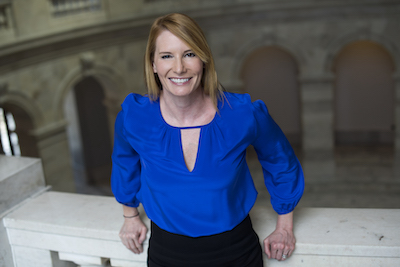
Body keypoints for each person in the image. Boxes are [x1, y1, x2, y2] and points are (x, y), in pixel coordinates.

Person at [111, 13, 304, 267]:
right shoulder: (134, 115)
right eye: (167, 55)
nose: (179, 67)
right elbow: (124, 161)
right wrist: (130, 215)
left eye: (189, 54)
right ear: (153, 64)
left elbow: (280, 160)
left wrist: (285, 225)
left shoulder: (243, 114)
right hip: (166, 255)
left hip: (236, 253)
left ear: (204, 60)